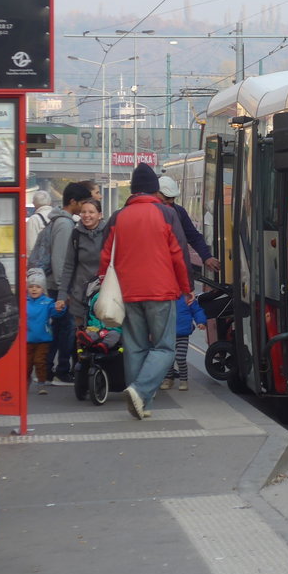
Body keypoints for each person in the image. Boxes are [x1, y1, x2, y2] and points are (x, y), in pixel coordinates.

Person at [100, 163, 191, 420]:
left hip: (127, 293)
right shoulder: (166, 214)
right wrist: (187, 288)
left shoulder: (118, 216)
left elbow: (105, 256)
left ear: (132, 190)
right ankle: (140, 391)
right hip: (161, 291)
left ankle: (141, 403)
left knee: (135, 347)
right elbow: (179, 254)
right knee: (165, 348)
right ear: (154, 189)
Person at [40, 182, 92, 383]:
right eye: (82, 203)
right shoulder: (65, 224)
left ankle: (49, 370)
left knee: (59, 330)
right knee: (65, 331)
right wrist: (66, 291)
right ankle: (60, 369)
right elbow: (61, 261)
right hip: (59, 287)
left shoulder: (60, 221)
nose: (85, 207)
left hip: (56, 286)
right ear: (73, 202)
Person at [55, 198, 107, 332]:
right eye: (83, 212)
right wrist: (62, 296)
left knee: (104, 337)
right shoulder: (76, 234)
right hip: (80, 297)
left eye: (91, 212)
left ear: (100, 215)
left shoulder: (108, 233)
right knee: (82, 338)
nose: (87, 215)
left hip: (103, 295)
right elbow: (69, 266)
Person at [157, 175, 221, 274]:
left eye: (173, 198)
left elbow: (193, 236)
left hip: (174, 268)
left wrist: (206, 256)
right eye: (167, 198)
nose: (171, 201)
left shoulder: (179, 212)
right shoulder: (147, 214)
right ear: (156, 193)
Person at [25, 269, 62, 395]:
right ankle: (25, 382)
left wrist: (60, 308)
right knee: (26, 364)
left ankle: (41, 383)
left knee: (40, 361)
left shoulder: (48, 302)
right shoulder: (23, 302)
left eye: (37, 287)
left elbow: (56, 313)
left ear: (43, 288)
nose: (34, 289)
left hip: (43, 339)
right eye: (31, 287)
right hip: (27, 339)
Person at [160, 294, 206, 392]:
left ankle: (183, 380)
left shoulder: (187, 298)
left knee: (180, 358)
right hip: (168, 334)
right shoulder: (164, 298)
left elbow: (197, 310)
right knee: (168, 359)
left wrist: (201, 321)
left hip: (182, 334)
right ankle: (168, 379)